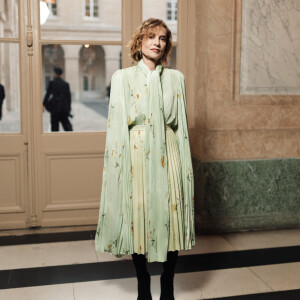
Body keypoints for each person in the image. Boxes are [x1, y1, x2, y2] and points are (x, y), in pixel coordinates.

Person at [95, 18, 195, 300]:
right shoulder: (122, 78)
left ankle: (168, 281)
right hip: (136, 156)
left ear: (167, 45)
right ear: (139, 42)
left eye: (162, 38)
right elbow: (116, 128)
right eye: (151, 37)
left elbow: (182, 129)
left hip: (169, 151)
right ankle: (142, 285)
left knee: (170, 216)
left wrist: (185, 171)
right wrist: (118, 170)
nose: (157, 43)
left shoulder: (176, 79)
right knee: (138, 217)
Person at [43, 67, 73, 131]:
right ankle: (71, 139)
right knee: (67, 126)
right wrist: (69, 107)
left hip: (54, 107)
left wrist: (44, 104)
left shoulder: (52, 83)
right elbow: (68, 97)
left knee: (54, 127)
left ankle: (54, 140)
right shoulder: (65, 84)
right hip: (63, 107)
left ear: (55, 73)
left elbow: (47, 95)